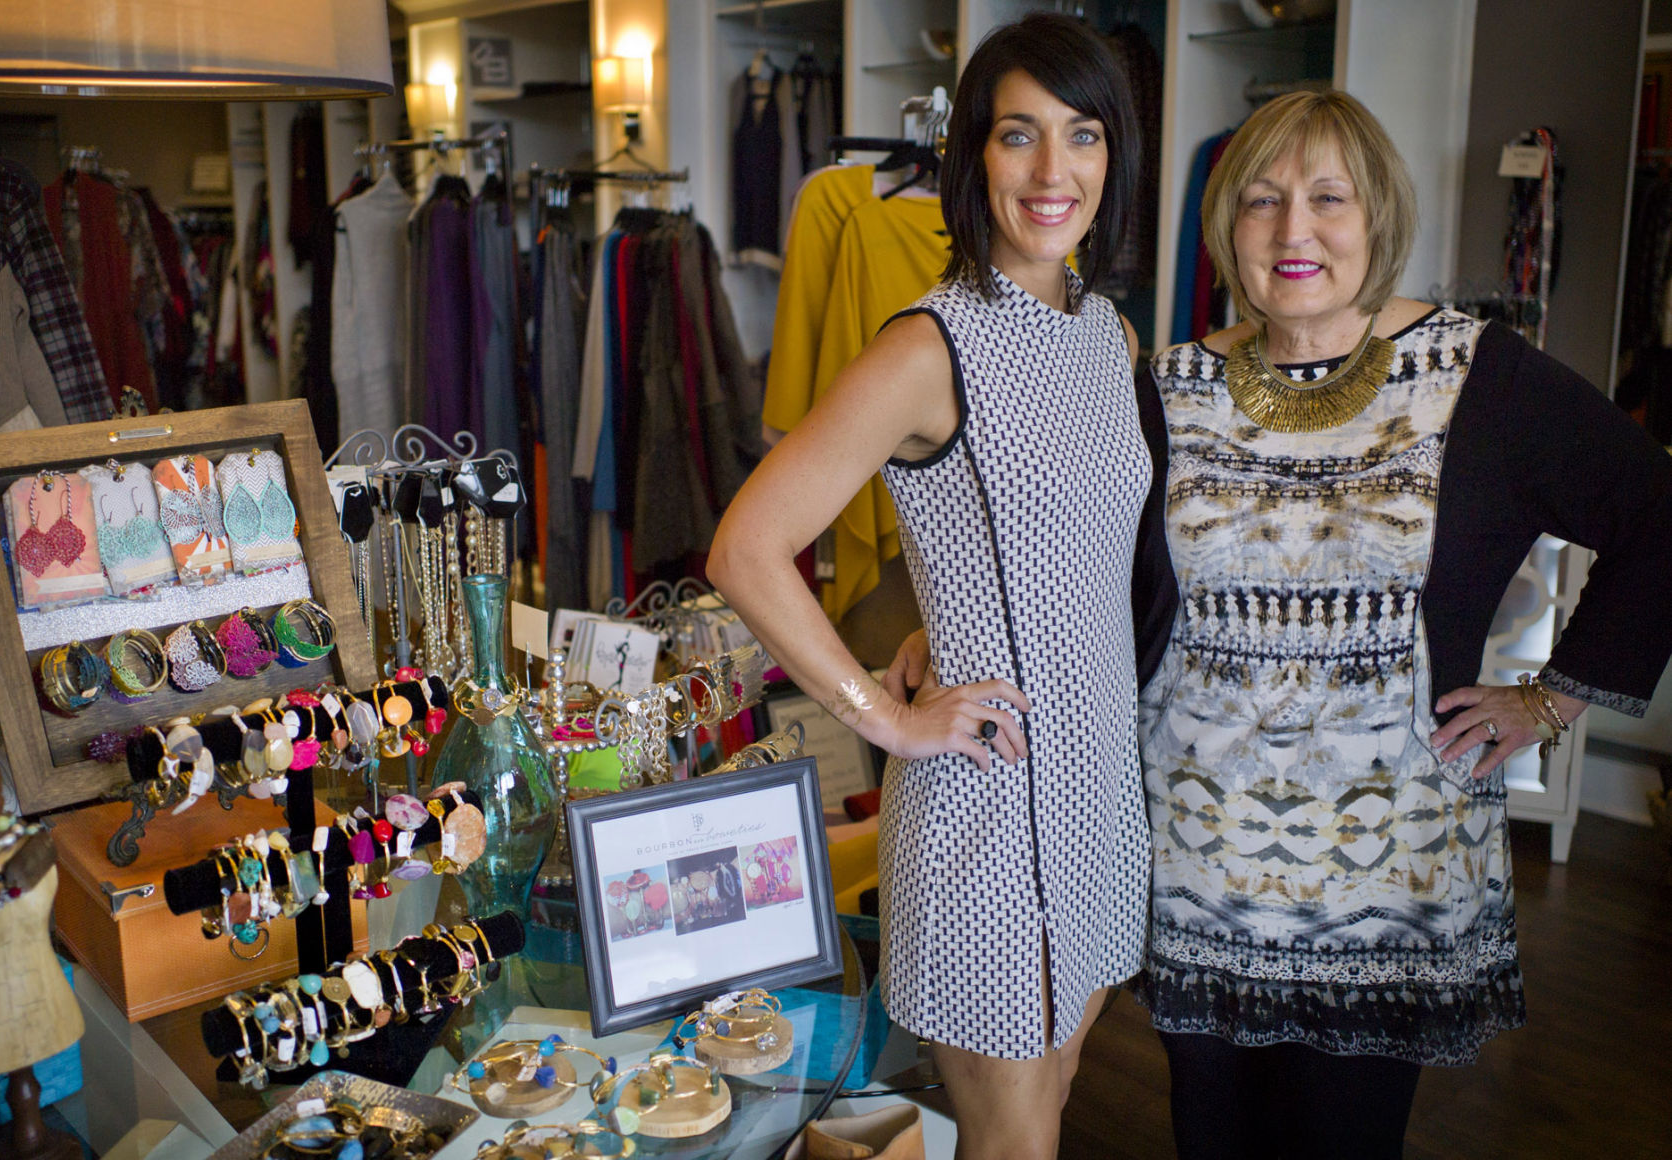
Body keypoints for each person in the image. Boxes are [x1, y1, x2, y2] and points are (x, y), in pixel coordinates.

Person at [1134, 90, 1672, 1157]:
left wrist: (1551, 696)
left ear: (1376, 214)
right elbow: (1090, 580)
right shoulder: (1165, 387)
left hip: (1385, 886)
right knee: (1208, 1139)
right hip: (1191, 872)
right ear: (1221, 224)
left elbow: (1656, 511)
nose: (1294, 231)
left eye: (1327, 198)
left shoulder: (1477, 376)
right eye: (1262, 200)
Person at [707, 13, 1153, 1158]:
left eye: (1083, 135)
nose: (1054, 172)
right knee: (1017, 1139)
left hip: (1102, 797)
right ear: (971, 156)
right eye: (1018, 135)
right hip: (991, 811)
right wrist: (884, 713)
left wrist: (923, 625)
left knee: (1045, 1101)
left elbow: (1027, 540)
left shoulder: (1111, 339)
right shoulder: (928, 347)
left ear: (1116, 155)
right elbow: (747, 548)